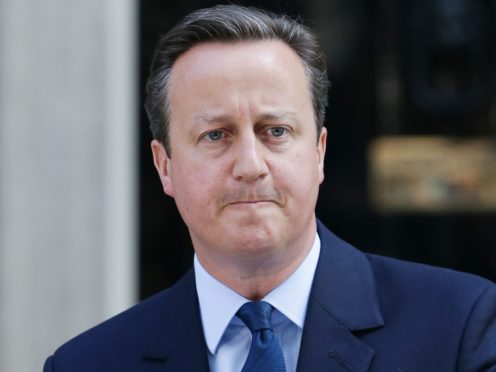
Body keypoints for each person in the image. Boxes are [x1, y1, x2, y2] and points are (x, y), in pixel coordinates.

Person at [44, 5, 496, 372]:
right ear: (165, 166)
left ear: (318, 153)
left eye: (275, 131)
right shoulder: (86, 364)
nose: (250, 166)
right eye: (216, 135)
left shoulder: (458, 328)